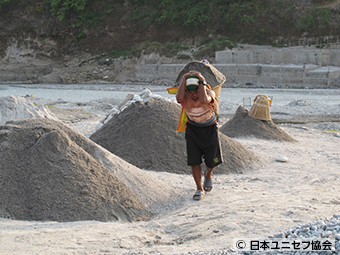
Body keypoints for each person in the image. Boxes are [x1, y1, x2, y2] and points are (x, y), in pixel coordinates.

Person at [176, 70, 223, 200]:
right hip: (193, 130)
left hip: (209, 129)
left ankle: (208, 175)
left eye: (196, 91)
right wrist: (184, 78)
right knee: (194, 160)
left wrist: (201, 79)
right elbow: (179, 98)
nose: (194, 95)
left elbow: (203, 101)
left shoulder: (209, 93)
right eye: (190, 92)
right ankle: (199, 188)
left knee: (211, 160)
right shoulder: (185, 97)